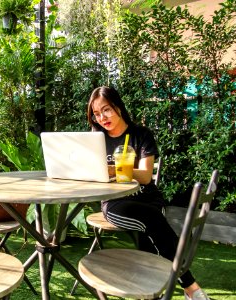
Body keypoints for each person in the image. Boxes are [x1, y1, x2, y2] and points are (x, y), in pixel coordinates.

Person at [87, 86, 210, 300]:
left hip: (148, 197)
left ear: (118, 106)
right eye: (96, 114)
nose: (101, 118)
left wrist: (114, 169)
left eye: (106, 110)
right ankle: (190, 287)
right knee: (152, 222)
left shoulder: (141, 134)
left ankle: (151, 291)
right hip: (116, 203)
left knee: (150, 228)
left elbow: (144, 176)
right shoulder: (96, 140)